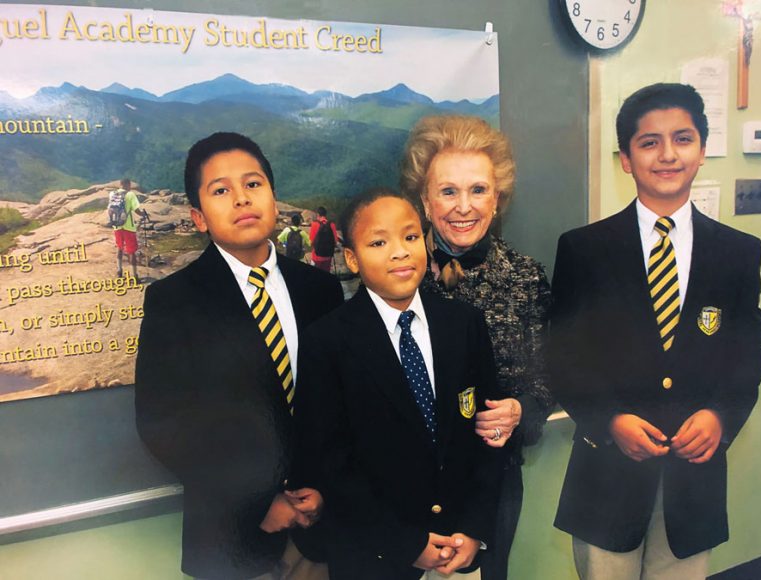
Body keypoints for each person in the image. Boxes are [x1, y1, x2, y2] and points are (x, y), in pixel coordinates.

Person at [549, 83, 761, 580]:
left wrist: (721, 416)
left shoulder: (738, 252)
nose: (668, 154)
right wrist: (608, 422)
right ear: (626, 158)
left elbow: (746, 355)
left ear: (702, 151)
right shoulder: (584, 250)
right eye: (649, 142)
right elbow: (563, 357)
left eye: (683, 139)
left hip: (695, 480)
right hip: (606, 481)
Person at [135, 132, 344, 580]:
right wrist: (260, 500)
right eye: (220, 191)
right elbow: (163, 425)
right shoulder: (174, 301)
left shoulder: (320, 290)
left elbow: (342, 405)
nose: (241, 199)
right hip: (231, 535)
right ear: (198, 218)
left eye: (253, 184)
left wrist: (326, 489)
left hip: (321, 527)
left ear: (272, 195)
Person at [293, 188, 503, 580]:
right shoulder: (328, 342)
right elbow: (331, 462)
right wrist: (406, 543)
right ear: (353, 259)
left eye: (410, 237)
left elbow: (487, 434)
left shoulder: (464, 324)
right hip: (375, 556)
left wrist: (475, 528)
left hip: (459, 548)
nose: (400, 252)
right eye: (378, 242)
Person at [400, 115, 553, 580]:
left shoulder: (525, 277)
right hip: (401, 482)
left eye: (478, 190)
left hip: (492, 480)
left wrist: (521, 410)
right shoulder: (392, 275)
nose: (463, 206)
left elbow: (548, 381)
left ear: (497, 198)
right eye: (448, 191)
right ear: (424, 201)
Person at [111, 177, 143, 281]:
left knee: (120, 248)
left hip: (117, 226)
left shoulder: (113, 194)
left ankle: (119, 271)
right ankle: (135, 276)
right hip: (128, 227)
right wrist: (143, 214)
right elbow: (136, 210)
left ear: (120, 184)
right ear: (128, 185)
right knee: (131, 251)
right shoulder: (130, 194)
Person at [309, 206, 338, 271]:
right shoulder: (332, 224)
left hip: (316, 257)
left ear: (318, 214)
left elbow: (311, 242)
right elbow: (335, 242)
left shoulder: (314, 224)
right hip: (328, 257)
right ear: (325, 214)